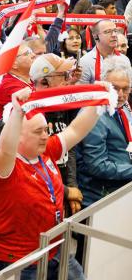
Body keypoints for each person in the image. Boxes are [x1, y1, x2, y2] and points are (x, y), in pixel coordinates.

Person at [0, 87, 100, 280]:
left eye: (46, 129)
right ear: (17, 134)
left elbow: (76, 130)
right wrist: (18, 113)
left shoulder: (45, 150)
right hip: (20, 258)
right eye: (38, 131)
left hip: (53, 248)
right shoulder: (6, 166)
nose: (45, 135)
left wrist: (101, 100)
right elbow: (6, 148)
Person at [29, 54, 83, 214]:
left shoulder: (61, 105)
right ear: (44, 82)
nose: (68, 81)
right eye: (64, 76)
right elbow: (30, 167)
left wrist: (71, 185)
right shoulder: (28, 114)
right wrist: (66, 190)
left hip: (62, 188)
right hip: (39, 200)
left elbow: (69, 149)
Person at [76, 60, 132, 207]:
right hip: (101, 197)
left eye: (125, 89)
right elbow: (97, 165)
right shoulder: (94, 114)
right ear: (103, 85)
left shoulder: (124, 107)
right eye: (115, 88)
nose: (120, 95)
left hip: (123, 188)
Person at [79, 20, 131, 84]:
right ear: (95, 36)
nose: (114, 35)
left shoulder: (124, 59)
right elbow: (83, 92)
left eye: (115, 31)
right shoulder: (85, 62)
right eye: (108, 32)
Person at [0, 40, 35, 119]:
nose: (33, 55)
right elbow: (34, 106)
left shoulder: (32, 77)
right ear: (14, 64)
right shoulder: (8, 85)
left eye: (31, 51)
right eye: (27, 53)